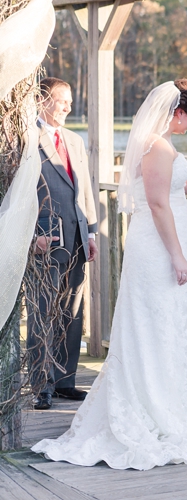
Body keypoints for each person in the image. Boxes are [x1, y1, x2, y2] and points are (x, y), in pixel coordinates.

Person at [33, 80, 187, 469]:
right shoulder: (157, 145)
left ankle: (171, 403)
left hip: (163, 244)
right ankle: (150, 407)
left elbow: (166, 186)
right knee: (152, 326)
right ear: (177, 112)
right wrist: (177, 256)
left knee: (169, 326)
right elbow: (156, 203)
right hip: (157, 248)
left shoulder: (159, 144)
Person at [30, 77, 98, 410]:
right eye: (62, 100)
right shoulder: (27, 139)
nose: (69, 107)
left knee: (72, 312)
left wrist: (92, 232)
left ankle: (64, 381)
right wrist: (32, 236)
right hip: (46, 238)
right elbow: (16, 196)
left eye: (70, 101)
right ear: (44, 100)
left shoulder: (74, 139)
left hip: (77, 238)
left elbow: (84, 187)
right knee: (43, 312)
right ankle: (41, 384)